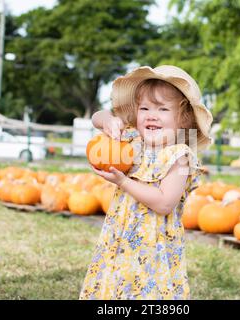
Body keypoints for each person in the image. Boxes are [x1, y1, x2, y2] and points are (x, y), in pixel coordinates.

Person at [79, 65, 213, 300]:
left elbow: (164, 203)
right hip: (120, 240)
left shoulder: (178, 156)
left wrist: (123, 181)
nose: (151, 114)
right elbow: (95, 118)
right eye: (145, 108)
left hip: (153, 246)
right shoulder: (133, 138)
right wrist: (109, 120)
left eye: (162, 109)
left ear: (183, 119)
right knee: (116, 289)